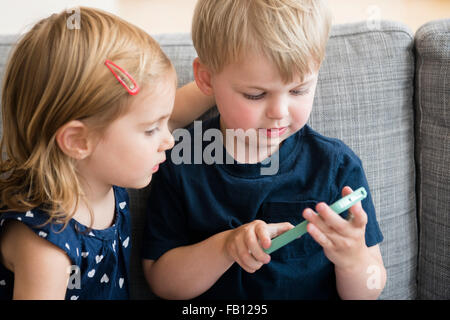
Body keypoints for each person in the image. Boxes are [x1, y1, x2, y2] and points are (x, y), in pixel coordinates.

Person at [142, 0, 387, 300]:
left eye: (298, 90)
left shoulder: (335, 167)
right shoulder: (181, 160)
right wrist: (226, 247)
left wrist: (353, 261)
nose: (279, 112)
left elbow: (369, 291)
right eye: (255, 94)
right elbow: (162, 282)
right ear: (206, 79)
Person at [0, 7, 213, 300]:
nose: (168, 140)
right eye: (152, 130)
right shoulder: (46, 249)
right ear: (78, 141)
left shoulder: (101, 166)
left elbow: (176, 108)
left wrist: (232, 82)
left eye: (164, 124)